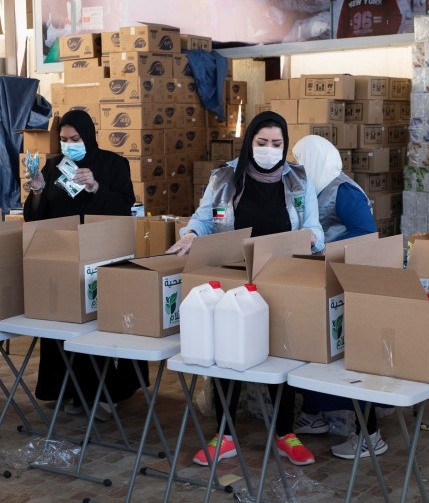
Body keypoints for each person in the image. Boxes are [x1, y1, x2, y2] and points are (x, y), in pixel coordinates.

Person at [166, 111, 325, 467]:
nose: (269, 150)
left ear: (285, 145)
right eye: (262, 143)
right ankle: (223, 434)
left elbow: (315, 226)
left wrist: (313, 238)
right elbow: (204, 217)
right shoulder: (225, 176)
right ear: (250, 141)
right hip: (234, 276)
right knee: (229, 351)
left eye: (277, 144)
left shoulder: (298, 179)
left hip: (282, 273)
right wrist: (191, 234)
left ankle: (285, 433)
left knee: (280, 350)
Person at [23, 109, 144, 421]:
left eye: (75, 139)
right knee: (64, 326)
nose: (69, 145)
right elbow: (38, 218)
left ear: (88, 136)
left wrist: (95, 188)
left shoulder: (114, 164)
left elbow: (124, 206)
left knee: (98, 326)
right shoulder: (53, 167)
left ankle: (107, 394)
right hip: (64, 257)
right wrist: (36, 190)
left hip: (103, 255)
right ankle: (69, 390)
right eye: (63, 140)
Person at [290, 135, 386, 460]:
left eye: (301, 159)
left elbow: (365, 231)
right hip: (322, 278)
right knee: (314, 350)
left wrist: (325, 244)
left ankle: (369, 434)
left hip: (346, 282)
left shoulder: (342, 190)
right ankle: (316, 415)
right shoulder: (311, 190)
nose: (297, 166)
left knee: (347, 357)